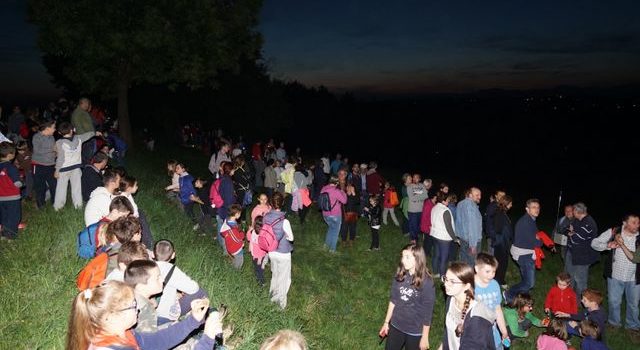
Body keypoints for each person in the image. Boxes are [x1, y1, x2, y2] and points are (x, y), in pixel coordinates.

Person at [66, 280, 223, 350]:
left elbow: (157, 341)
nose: (138, 309)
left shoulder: (119, 334)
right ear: (111, 316)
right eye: (132, 306)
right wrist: (207, 339)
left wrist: (193, 320)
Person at [379, 244, 435, 350]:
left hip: (415, 330)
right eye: (402, 256)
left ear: (417, 259)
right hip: (396, 325)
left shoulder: (427, 282)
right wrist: (386, 323)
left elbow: (428, 312)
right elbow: (393, 300)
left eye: (407, 257)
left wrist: (425, 337)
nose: (403, 260)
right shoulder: (400, 275)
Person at [590, 214, 640, 333]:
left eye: (638, 223)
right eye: (634, 222)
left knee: (633, 304)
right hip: (615, 276)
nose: (637, 225)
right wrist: (608, 245)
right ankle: (614, 323)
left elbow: (636, 258)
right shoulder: (614, 231)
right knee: (614, 301)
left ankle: (632, 327)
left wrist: (621, 244)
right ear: (625, 223)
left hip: (634, 277)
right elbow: (594, 243)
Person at [439, 261, 495, 350]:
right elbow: (448, 330)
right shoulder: (451, 299)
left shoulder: (477, 319)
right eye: (446, 278)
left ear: (466, 286)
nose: (446, 284)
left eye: (452, 281)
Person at [153, 239, 208, 325]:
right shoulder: (171, 270)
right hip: (165, 316)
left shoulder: (147, 266)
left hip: (150, 314)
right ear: (173, 255)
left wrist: (175, 294)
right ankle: (199, 323)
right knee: (200, 292)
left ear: (153, 253)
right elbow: (194, 288)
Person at [53, 121, 100, 210]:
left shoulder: (59, 142)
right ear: (72, 130)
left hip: (63, 170)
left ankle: (58, 207)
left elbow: (60, 158)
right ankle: (78, 206)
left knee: (61, 189)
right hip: (76, 168)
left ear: (59, 132)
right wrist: (94, 133)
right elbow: (88, 135)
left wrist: (57, 170)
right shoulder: (78, 138)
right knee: (77, 188)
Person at [505, 199, 542, 303]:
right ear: (527, 209)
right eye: (533, 207)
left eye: (538, 207)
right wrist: (540, 240)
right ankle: (509, 294)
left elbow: (535, 238)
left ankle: (522, 302)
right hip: (524, 255)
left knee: (527, 281)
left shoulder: (531, 220)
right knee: (529, 283)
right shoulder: (526, 222)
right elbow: (536, 242)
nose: (537, 209)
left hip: (527, 253)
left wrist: (538, 238)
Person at [473, 253, 510, 349]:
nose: (491, 276)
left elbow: (497, 309)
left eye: (493, 272)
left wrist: (504, 331)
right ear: (477, 269)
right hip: (475, 332)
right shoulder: (470, 287)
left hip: (492, 329)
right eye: (487, 271)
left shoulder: (494, 285)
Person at [565, 202, 599, 304]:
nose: (572, 213)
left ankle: (580, 303)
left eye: (573, 211)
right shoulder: (578, 220)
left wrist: (572, 234)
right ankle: (568, 298)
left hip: (583, 257)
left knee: (580, 281)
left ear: (577, 211)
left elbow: (576, 239)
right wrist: (571, 233)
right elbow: (570, 230)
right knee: (569, 277)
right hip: (573, 253)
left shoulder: (588, 223)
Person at [265, 192, 294, 309]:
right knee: (284, 278)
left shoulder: (266, 216)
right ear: (282, 203)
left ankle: (272, 296)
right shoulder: (284, 221)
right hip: (283, 253)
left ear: (271, 203)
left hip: (271, 251)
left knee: (275, 274)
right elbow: (291, 238)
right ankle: (281, 304)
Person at [429, 192, 459, 278]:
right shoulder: (445, 210)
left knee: (436, 255)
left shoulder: (434, 207)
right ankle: (442, 275)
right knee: (444, 258)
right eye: (448, 200)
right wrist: (455, 239)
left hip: (435, 235)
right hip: (443, 238)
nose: (449, 202)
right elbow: (449, 227)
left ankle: (435, 272)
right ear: (443, 200)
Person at [32, 120, 57, 209]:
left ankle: (55, 204)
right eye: (53, 127)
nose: (55, 129)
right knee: (40, 187)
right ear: (47, 128)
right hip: (38, 165)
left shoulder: (52, 138)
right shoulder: (37, 137)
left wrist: (56, 153)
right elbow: (37, 151)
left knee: (54, 185)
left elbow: (54, 151)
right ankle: (41, 205)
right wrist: (52, 150)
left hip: (50, 166)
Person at [454, 187, 482, 267]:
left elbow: (458, 222)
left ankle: (463, 277)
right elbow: (472, 226)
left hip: (463, 239)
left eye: (480, 195)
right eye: (477, 195)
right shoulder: (471, 206)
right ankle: (469, 279)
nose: (480, 197)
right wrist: (473, 245)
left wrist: (459, 236)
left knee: (464, 261)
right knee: (472, 264)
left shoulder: (460, 203)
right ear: (470, 195)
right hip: (472, 240)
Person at [0, 142, 22, 241]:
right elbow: (17, 182)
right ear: (10, 155)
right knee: (14, 216)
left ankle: (4, 234)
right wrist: (21, 183)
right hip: (12, 197)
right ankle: (11, 236)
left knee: (4, 215)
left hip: (1, 197)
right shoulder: (11, 167)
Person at [320, 175, 347, 253]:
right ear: (337, 182)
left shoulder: (323, 188)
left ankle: (326, 245)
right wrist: (343, 192)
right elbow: (344, 201)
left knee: (331, 229)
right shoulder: (336, 191)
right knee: (335, 232)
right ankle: (332, 250)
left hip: (325, 214)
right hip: (335, 214)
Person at [492, 195, 513, 287]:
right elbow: (502, 229)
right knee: (502, 262)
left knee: (500, 261)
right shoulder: (500, 214)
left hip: (501, 241)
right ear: (506, 204)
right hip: (501, 242)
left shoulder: (501, 213)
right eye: (511, 203)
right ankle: (499, 281)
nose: (511, 205)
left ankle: (497, 279)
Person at [220, 204, 246, 269]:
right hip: (235, 248)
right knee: (240, 261)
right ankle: (235, 271)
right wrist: (241, 242)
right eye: (240, 213)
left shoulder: (228, 220)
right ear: (237, 214)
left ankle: (233, 265)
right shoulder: (231, 228)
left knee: (236, 259)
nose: (240, 215)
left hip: (232, 245)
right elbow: (236, 238)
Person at [407, 174, 429, 245]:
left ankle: (416, 238)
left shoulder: (422, 185)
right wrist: (420, 193)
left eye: (416, 177)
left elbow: (426, 196)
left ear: (419, 179)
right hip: (412, 210)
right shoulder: (409, 186)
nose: (414, 178)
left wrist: (415, 193)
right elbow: (412, 198)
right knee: (413, 225)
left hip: (420, 209)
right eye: (413, 177)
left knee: (418, 226)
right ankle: (413, 239)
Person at [248, 215, 268, 286]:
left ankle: (262, 282)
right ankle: (258, 278)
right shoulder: (254, 232)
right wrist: (249, 231)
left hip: (260, 256)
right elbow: (249, 238)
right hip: (254, 254)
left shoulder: (262, 235)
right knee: (256, 267)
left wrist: (260, 258)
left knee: (259, 269)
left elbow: (264, 249)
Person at [484, 190, 505, 255]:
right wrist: (493, 236)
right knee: (491, 256)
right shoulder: (492, 206)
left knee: (496, 255)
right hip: (493, 236)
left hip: (498, 236)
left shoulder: (501, 206)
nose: (502, 197)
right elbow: (488, 222)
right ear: (496, 196)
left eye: (503, 196)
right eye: (500, 195)